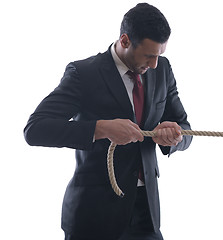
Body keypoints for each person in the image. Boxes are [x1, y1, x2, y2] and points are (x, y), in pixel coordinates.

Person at [24, 3, 192, 240]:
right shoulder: (83, 73)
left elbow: (185, 129)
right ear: (125, 41)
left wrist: (174, 138)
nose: (154, 64)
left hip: (147, 215)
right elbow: (35, 129)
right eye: (149, 55)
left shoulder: (162, 69)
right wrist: (100, 128)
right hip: (93, 216)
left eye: (159, 55)